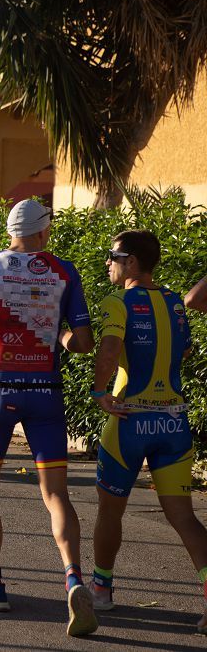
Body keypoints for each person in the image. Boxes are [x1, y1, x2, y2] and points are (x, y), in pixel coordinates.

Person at [0, 199, 98, 636]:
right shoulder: (64, 271)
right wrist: (60, 334)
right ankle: (74, 579)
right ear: (44, 231)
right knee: (56, 496)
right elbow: (82, 341)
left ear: (11, 230)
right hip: (46, 393)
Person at [89, 231, 207, 631]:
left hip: (128, 421)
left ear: (132, 262)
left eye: (113, 256)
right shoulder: (174, 302)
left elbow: (108, 349)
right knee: (185, 519)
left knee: (109, 512)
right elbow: (184, 350)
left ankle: (101, 591)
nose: (108, 262)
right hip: (173, 421)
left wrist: (99, 391)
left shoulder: (118, 301)